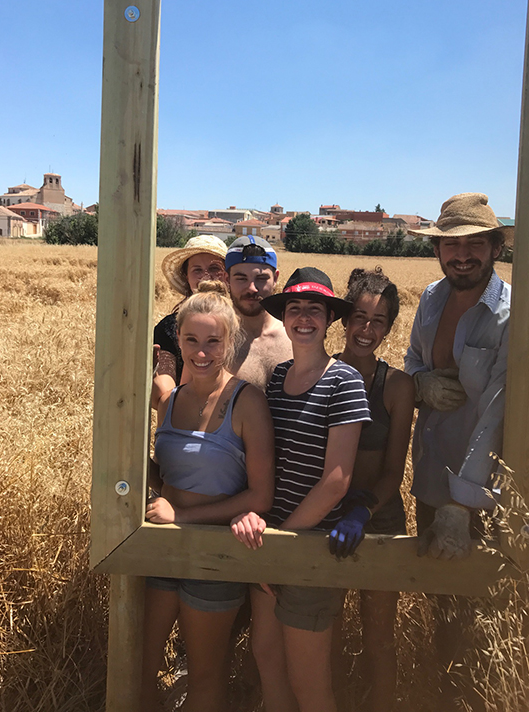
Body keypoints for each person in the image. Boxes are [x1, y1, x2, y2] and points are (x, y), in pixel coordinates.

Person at [231, 267, 372, 712]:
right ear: (285, 317)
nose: (304, 317)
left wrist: (281, 545)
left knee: (309, 683)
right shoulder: (278, 377)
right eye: (295, 309)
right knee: (268, 660)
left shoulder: (344, 380)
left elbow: (336, 482)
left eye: (315, 309)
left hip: (306, 551)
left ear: (330, 318)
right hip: (271, 545)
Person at [142, 281, 275, 712]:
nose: (202, 352)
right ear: (177, 342)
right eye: (191, 340)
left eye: (213, 341)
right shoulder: (170, 400)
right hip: (162, 549)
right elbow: (166, 475)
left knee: (203, 674)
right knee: (142, 665)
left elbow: (261, 494)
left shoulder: (247, 402)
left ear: (230, 342)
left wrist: (181, 516)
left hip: (213, 554)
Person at [404, 192, 511, 703]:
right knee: (440, 598)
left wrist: (459, 503)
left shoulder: (509, 314)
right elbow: (411, 360)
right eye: (451, 245)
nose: (461, 254)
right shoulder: (431, 298)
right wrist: (420, 383)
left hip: (480, 490)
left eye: (474, 243)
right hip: (429, 474)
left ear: (495, 246)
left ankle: (479, 695)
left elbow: (497, 412)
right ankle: (443, 689)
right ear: (438, 251)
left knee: (482, 605)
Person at [328, 267, 415, 712]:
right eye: (359, 317)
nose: (366, 329)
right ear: (343, 320)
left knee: (379, 634)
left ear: (390, 327)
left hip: (377, 519)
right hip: (324, 519)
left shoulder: (397, 386)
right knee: (323, 631)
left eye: (379, 321)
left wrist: (362, 509)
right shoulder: (320, 374)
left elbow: (392, 471)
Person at [152, 234, 227, 408]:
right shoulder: (168, 328)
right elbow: (164, 393)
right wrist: (153, 374)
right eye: (197, 270)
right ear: (186, 276)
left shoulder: (246, 323)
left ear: (228, 275)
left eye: (215, 268)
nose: (206, 276)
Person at [224, 235, 293, 390]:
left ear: (275, 279)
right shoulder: (216, 341)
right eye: (241, 279)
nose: (252, 288)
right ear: (226, 279)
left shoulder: (296, 337)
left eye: (261, 278)